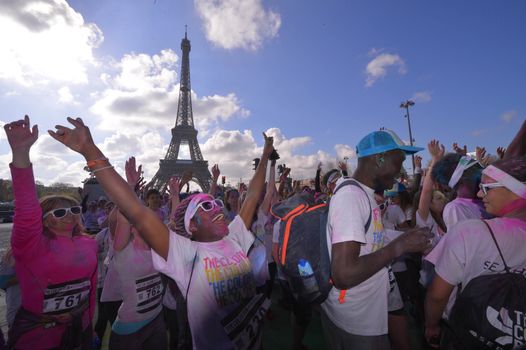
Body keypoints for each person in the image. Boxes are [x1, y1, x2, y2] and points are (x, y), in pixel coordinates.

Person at [48, 117, 274, 350]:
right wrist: (90, 151)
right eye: (205, 206)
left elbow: (253, 196)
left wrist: (266, 154)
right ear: (192, 227)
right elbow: (137, 211)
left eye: (215, 203)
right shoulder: (186, 254)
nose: (216, 207)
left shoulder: (234, 238)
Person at [321, 129, 433, 350]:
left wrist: (404, 237)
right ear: (379, 158)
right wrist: (400, 246)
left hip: (367, 312)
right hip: (356, 322)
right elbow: (344, 274)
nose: (401, 170)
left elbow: (372, 240)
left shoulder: (365, 195)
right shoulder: (352, 197)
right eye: (398, 162)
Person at [4, 115, 97, 349]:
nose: (69, 215)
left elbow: (91, 288)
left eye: (74, 209)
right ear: (43, 221)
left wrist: (87, 324)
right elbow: (26, 207)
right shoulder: (32, 246)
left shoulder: (89, 243)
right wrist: (21, 152)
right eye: (58, 213)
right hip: (39, 335)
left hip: (79, 330)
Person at [424, 156, 526, 349]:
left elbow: (437, 294)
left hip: (472, 322)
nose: (480, 193)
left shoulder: (468, 232)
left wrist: (431, 326)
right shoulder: (461, 210)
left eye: (487, 187)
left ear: (516, 190)